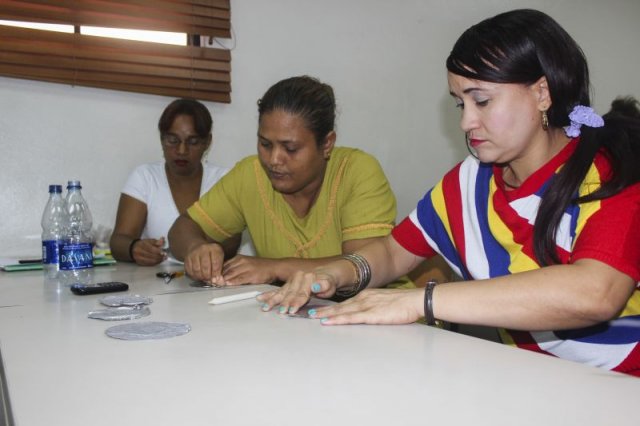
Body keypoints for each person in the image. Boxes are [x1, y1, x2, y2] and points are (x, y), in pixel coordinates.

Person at [259, 10, 640, 376]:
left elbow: (595, 292)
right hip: (534, 380)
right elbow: (394, 253)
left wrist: (420, 301)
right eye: (461, 103)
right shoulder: (470, 182)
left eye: (482, 101)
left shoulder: (611, 171)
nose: (466, 122)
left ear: (542, 92)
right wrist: (335, 274)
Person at [169, 75, 414, 289]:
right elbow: (183, 228)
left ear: (327, 144)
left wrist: (275, 268)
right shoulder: (250, 175)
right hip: (302, 325)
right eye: (265, 144)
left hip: (384, 323)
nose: (274, 159)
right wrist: (195, 248)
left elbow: (363, 266)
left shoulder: (357, 172)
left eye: (291, 148)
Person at [110, 98, 235, 266]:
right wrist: (134, 248)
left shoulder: (224, 180)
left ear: (207, 142)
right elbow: (118, 241)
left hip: (210, 283)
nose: (182, 150)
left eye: (193, 142)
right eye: (173, 140)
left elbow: (232, 242)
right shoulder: (145, 177)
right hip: (155, 283)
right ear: (162, 139)